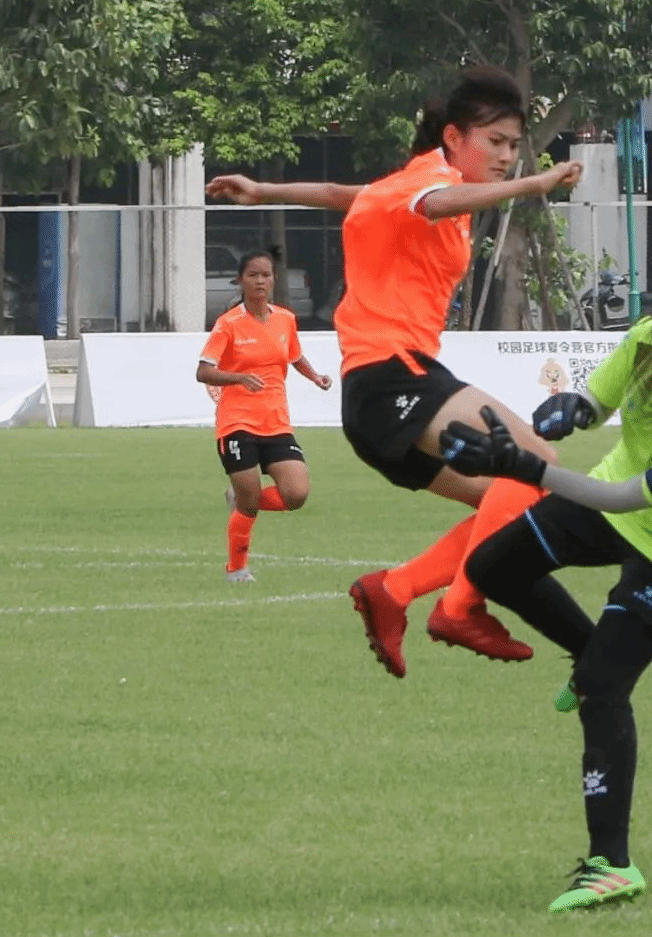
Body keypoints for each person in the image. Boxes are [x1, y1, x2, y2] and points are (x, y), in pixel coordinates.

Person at [206, 66, 583, 669]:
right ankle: (459, 607)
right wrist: (533, 184)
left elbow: (342, 194)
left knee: (516, 500)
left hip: (379, 399)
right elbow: (436, 202)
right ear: (454, 138)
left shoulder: (406, 184)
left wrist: (263, 189)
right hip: (395, 378)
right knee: (542, 468)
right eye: (495, 142)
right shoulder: (435, 182)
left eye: (515, 146)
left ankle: (397, 590)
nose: (507, 156)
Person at [438, 292, 652, 914]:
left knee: (602, 690)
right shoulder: (648, 341)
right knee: (491, 566)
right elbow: (596, 403)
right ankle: (592, 657)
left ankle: (612, 865)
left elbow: (620, 499)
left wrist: (521, 466)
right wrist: (571, 408)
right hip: (610, 495)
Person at [196, 247, 333, 582]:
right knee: (250, 502)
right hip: (237, 423)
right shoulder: (228, 324)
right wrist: (238, 378)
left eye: (266, 275)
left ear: (273, 279)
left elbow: (294, 355)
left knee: (296, 495)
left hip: (276, 422)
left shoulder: (285, 319)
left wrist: (315, 376)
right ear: (240, 281)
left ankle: (241, 498)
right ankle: (237, 568)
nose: (260, 281)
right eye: (253, 275)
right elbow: (203, 371)